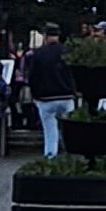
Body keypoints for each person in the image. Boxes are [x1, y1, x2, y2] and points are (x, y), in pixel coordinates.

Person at [25, 27, 74, 157]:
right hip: (66, 95)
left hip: (45, 97)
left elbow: (33, 77)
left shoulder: (39, 53)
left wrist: (35, 95)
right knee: (69, 129)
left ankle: (50, 156)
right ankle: (69, 154)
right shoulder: (67, 51)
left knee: (49, 131)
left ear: (46, 36)